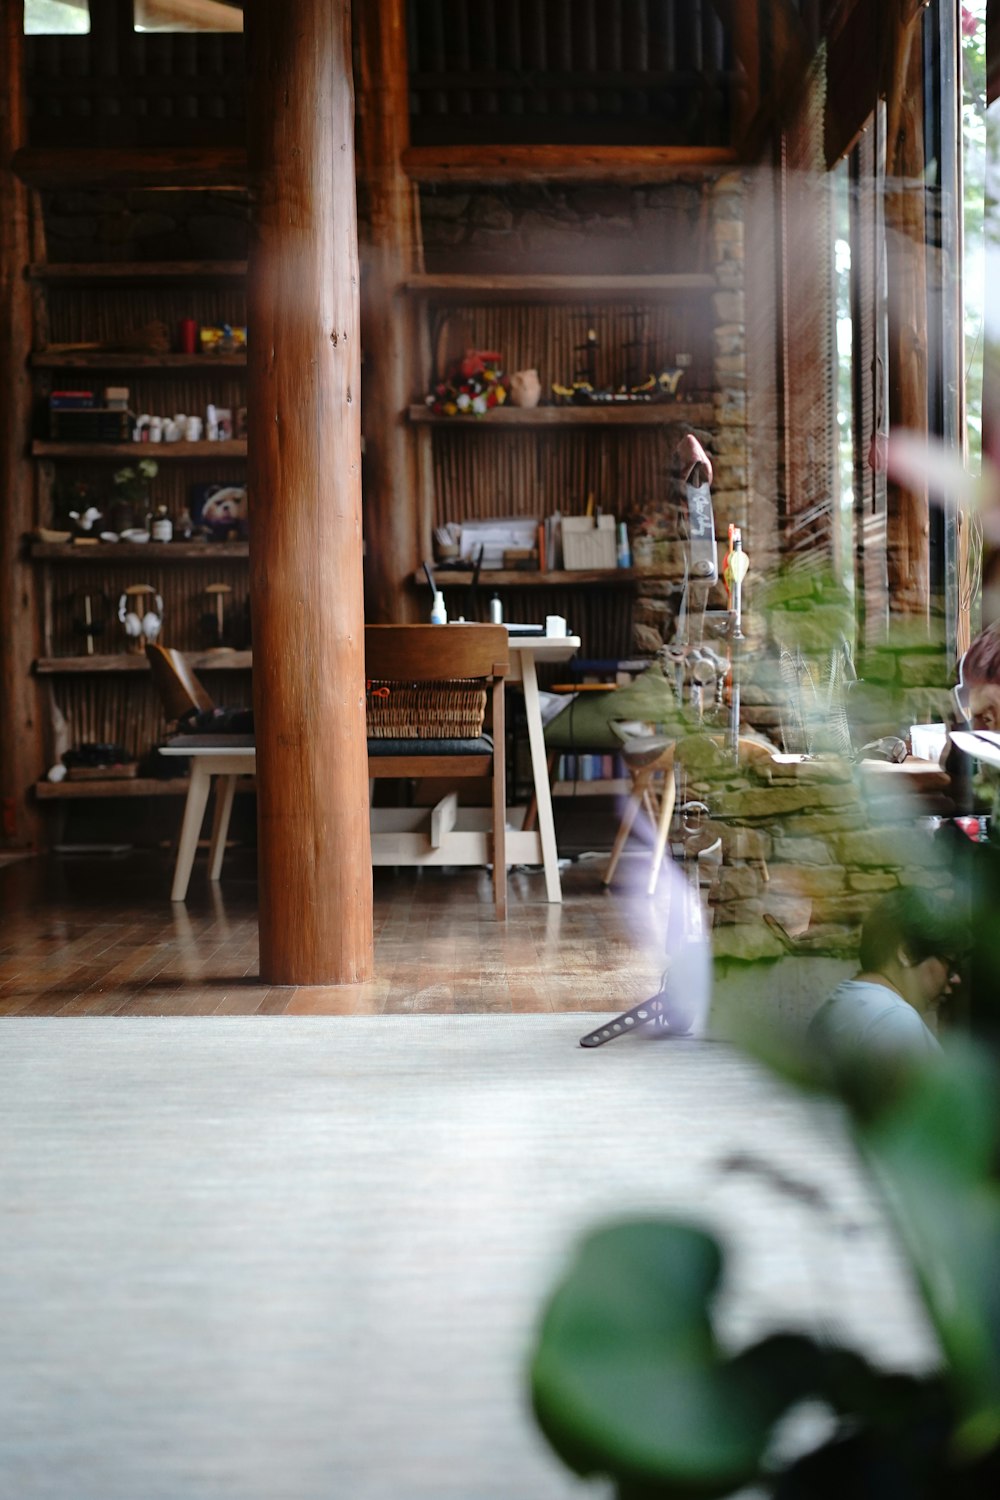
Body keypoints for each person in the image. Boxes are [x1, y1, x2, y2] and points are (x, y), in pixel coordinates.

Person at [807, 889, 962, 1087]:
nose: (956, 979)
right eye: (950, 965)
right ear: (907, 953)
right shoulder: (895, 1020)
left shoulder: (838, 1004)